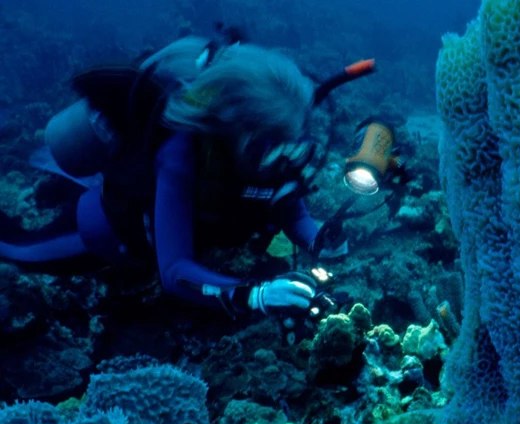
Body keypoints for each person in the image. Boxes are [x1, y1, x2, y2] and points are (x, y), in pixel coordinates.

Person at [0, 33, 373, 319]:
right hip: (112, 233)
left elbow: (294, 213)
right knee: (18, 250)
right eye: (269, 143)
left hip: (190, 225)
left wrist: (317, 239)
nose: (286, 156)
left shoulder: (273, 147)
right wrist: (254, 295)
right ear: (232, 131)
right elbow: (173, 269)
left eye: (292, 140)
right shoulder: (180, 155)